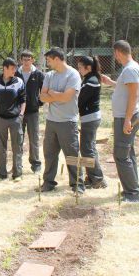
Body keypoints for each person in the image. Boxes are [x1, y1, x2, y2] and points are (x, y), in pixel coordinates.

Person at [101, 40, 139, 202]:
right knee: (128, 153)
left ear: (118, 52)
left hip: (126, 118)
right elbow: (125, 87)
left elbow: (133, 95)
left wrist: (127, 120)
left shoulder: (131, 69)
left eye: (115, 54)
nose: (115, 57)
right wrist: (111, 82)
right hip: (125, 117)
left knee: (121, 155)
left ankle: (132, 193)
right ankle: (133, 188)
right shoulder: (131, 68)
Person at [38, 48, 84, 193]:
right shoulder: (49, 75)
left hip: (68, 122)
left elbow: (67, 98)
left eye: (49, 60)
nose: (48, 63)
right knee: (49, 154)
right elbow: (42, 97)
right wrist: (57, 95)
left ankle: (77, 184)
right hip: (51, 121)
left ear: (57, 59)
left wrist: (52, 95)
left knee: (72, 154)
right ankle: (48, 183)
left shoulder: (73, 74)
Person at [0, 58, 26, 182]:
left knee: (17, 147)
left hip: (15, 119)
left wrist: (21, 115)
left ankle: (17, 174)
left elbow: (23, 100)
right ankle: (2, 174)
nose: (15, 70)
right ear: (5, 68)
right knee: (1, 147)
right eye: (12, 68)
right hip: (0, 119)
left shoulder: (19, 81)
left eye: (15, 68)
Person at [77, 56, 107, 189]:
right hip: (88, 118)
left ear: (88, 68)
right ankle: (92, 177)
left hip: (90, 118)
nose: (79, 70)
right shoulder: (89, 79)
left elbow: (80, 100)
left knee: (87, 149)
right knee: (88, 149)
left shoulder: (91, 81)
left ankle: (97, 179)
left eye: (80, 68)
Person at [15, 50, 45, 173]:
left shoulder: (38, 74)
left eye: (29, 59)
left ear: (33, 60)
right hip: (18, 112)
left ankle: (36, 165)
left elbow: (44, 90)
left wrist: (39, 102)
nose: (26, 61)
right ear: (20, 60)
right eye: (24, 59)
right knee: (18, 139)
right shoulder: (16, 73)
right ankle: (17, 166)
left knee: (34, 138)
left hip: (33, 112)